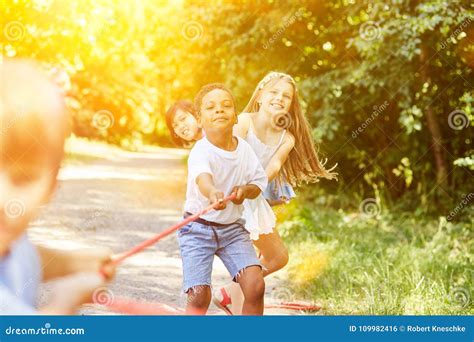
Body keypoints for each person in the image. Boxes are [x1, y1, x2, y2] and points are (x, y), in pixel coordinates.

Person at [0, 59, 115, 315]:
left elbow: (23, 257)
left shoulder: (10, 238)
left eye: (22, 179)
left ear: (51, 187)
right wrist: (64, 304)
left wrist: (78, 262)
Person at [178, 83, 266, 315]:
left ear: (236, 117)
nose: (219, 110)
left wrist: (245, 191)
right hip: (197, 229)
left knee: (256, 286)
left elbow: (258, 183)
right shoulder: (201, 150)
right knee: (199, 296)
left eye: (226, 106)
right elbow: (202, 178)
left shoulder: (245, 150)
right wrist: (212, 193)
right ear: (199, 119)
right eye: (211, 107)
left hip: (232, 230)